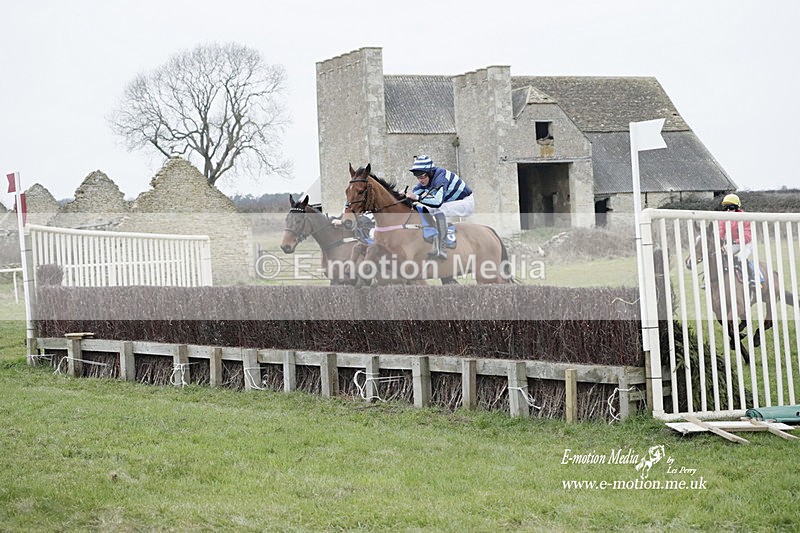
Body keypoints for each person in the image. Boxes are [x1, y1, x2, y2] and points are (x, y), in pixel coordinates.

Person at [403, 155, 474, 260]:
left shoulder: (441, 178)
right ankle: (433, 237)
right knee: (424, 209)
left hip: (465, 202)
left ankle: (442, 247)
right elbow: (411, 194)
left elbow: (437, 202)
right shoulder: (426, 180)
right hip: (451, 202)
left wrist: (417, 197)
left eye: (422, 177)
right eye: (418, 177)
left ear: (430, 173)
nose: (420, 180)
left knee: (439, 210)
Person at [719, 193, 756, 287]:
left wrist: (735, 241)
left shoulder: (744, 217)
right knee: (721, 253)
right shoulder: (724, 218)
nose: (728, 210)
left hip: (747, 243)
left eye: (730, 207)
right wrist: (719, 241)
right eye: (726, 208)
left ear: (736, 207)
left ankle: (752, 278)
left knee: (741, 257)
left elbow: (747, 236)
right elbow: (721, 232)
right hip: (735, 243)